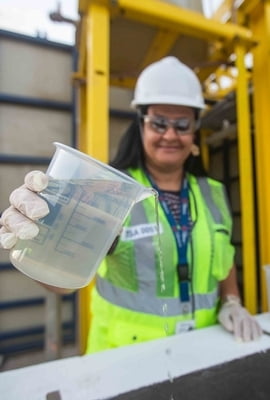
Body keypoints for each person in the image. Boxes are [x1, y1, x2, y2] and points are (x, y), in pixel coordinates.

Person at [0, 56, 262, 353]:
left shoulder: (213, 191)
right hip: (123, 357)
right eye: (159, 123)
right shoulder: (110, 191)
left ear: (194, 131)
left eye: (182, 124)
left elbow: (223, 260)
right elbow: (63, 282)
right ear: (141, 126)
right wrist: (37, 241)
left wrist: (232, 302)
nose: (170, 134)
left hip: (200, 348)